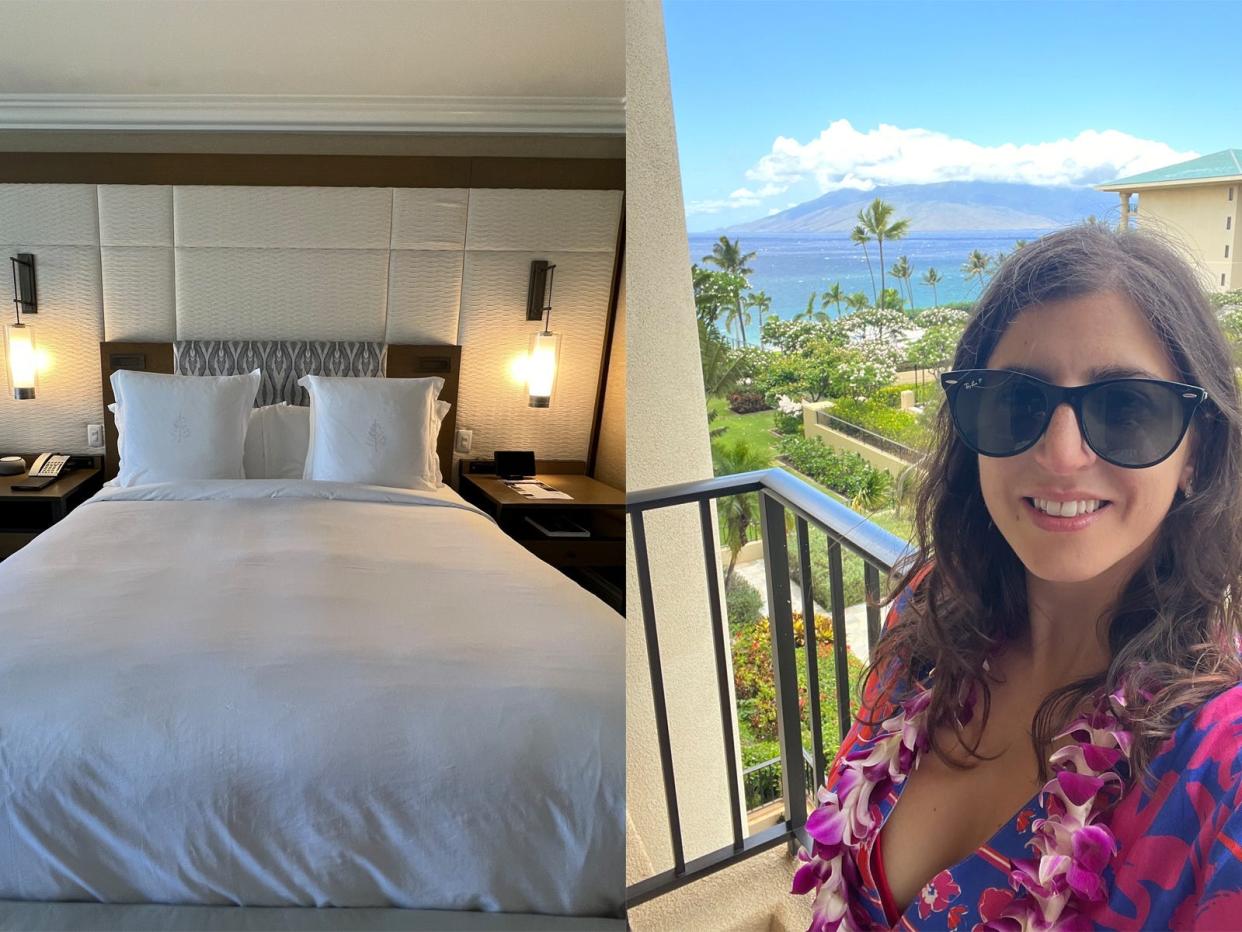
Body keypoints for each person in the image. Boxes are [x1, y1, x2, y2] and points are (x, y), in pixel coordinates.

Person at [794, 223, 1242, 930]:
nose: (1060, 455)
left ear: (1197, 450)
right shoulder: (927, 616)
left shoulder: (1222, 769)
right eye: (1017, 401)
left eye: (1125, 407)